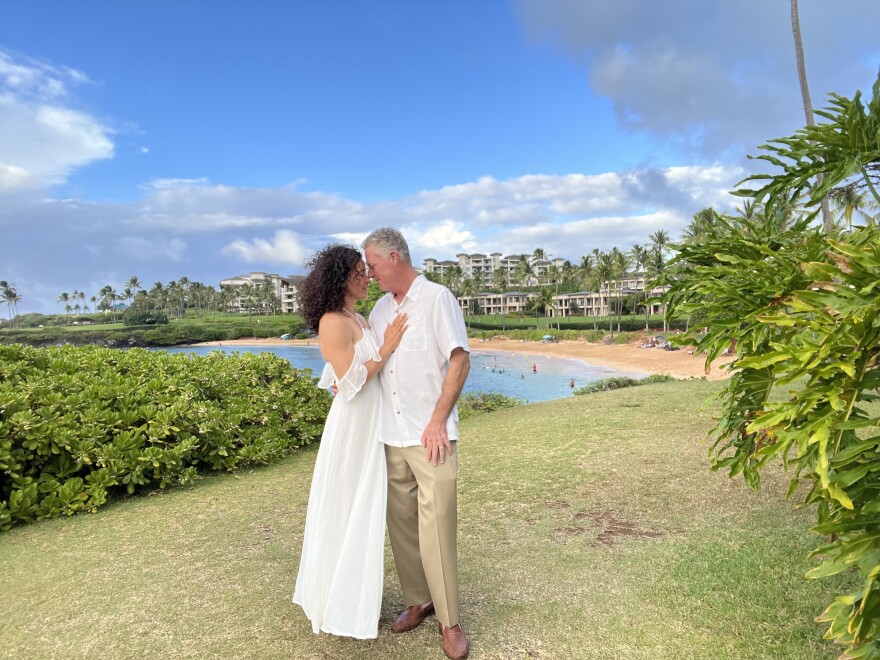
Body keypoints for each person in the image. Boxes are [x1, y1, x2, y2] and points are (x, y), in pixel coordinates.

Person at [363, 228, 472, 660]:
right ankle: (419, 601)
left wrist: (438, 421)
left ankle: (450, 621)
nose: (369, 273)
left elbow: (460, 360)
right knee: (403, 526)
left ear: (394, 256)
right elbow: (371, 364)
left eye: (372, 264)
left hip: (433, 436)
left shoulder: (437, 298)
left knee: (438, 525)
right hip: (390, 435)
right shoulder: (377, 310)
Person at [292, 244, 408, 639]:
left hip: (371, 422)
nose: (368, 277)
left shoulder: (355, 316)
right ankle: (336, 605)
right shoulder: (332, 322)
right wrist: (388, 345)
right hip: (353, 427)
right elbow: (353, 382)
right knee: (345, 508)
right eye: (360, 271)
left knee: (365, 510)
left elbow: (340, 376)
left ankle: (355, 600)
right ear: (341, 278)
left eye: (367, 269)